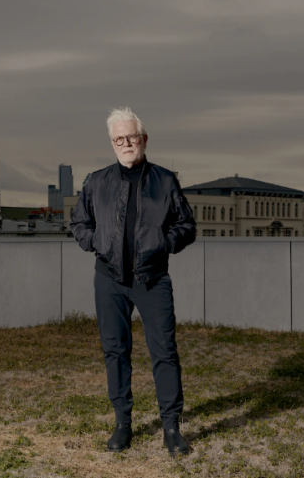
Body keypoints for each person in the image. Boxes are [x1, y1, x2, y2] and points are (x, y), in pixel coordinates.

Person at [70, 107, 196, 456]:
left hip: (152, 279)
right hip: (109, 280)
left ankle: (171, 427)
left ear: (143, 139)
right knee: (115, 351)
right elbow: (79, 223)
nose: (125, 144)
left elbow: (186, 226)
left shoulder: (165, 181)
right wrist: (97, 243)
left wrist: (164, 245)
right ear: (113, 143)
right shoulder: (96, 181)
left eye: (131, 137)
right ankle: (122, 424)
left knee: (165, 353)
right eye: (118, 139)